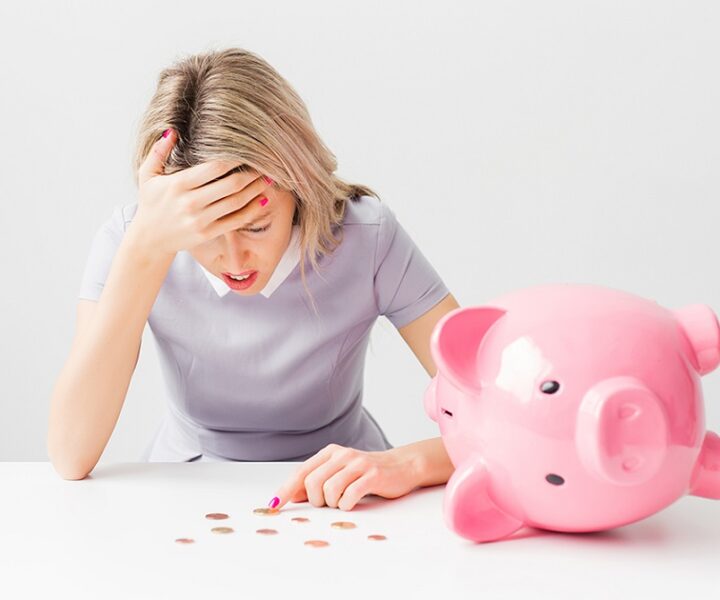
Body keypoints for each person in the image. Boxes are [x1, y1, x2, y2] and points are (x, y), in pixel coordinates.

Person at [48, 47, 459, 512]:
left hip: (343, 490)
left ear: (299, 187)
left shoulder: (368, 236)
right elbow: (69, 453)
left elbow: (498, 409)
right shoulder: (134, 242)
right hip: (185, 490)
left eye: (257, 226)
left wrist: (407, 463)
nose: (234, 257)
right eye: (205, 233)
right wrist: (145, 249)